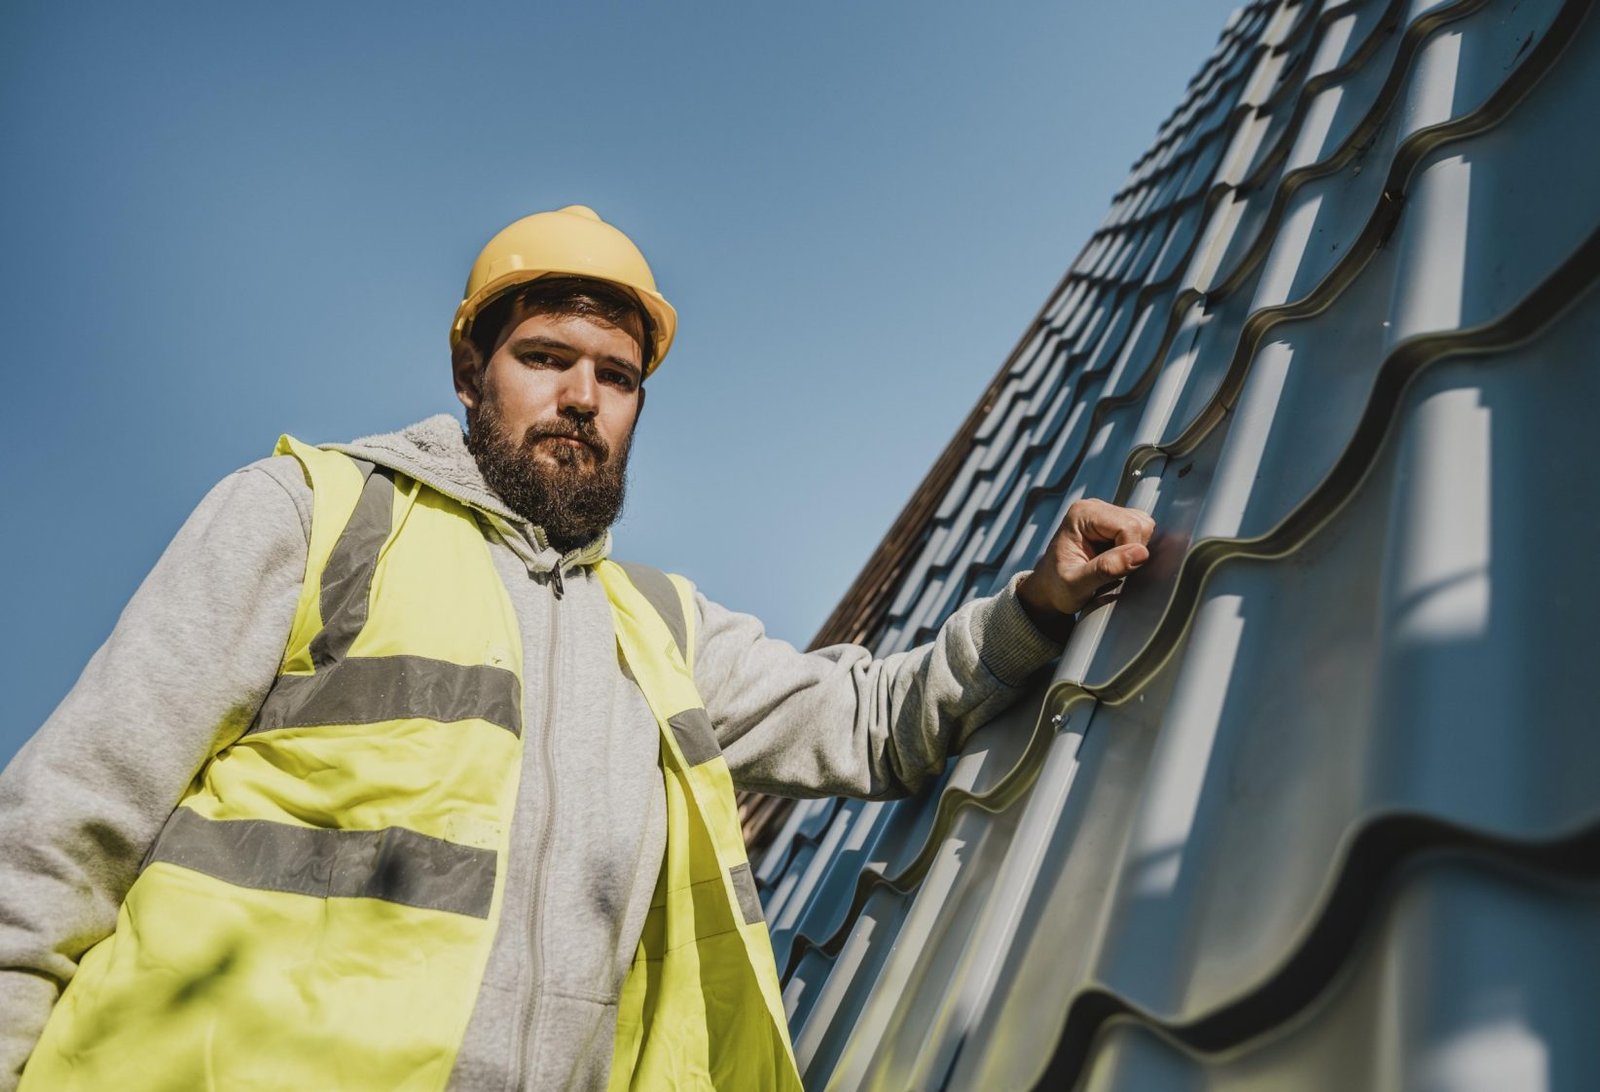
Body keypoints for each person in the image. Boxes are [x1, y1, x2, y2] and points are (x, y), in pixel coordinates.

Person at [0, 206, 1155, 1091]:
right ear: (471, 375)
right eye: (546, 357)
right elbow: (59, 834)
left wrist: (1038, 603)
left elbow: (871, 719)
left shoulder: (656, 630)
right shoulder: (313, 519)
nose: (582, 397)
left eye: (615, 376)